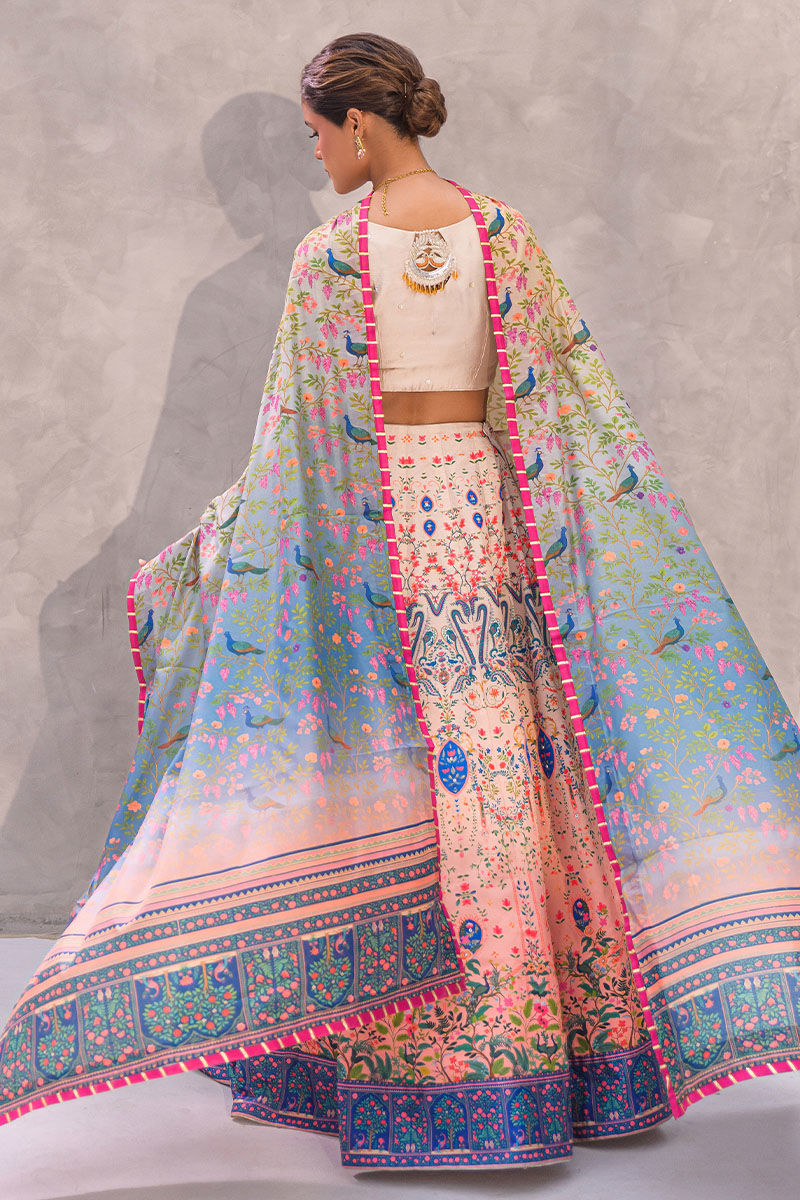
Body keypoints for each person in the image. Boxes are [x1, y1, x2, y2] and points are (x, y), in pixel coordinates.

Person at [1, 30, 798, 1175]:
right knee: (506, 773)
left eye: (315, 132)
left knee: (396, 779)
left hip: (383, 539)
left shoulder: (329, 259)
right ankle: (547, 1066)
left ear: (361, 125)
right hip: (490, 528)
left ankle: (414, 1070)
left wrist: (220, 548)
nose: (313, 154)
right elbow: (568, 410)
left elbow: (295, 451)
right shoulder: (502, 233)